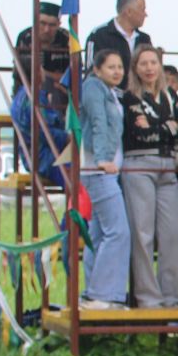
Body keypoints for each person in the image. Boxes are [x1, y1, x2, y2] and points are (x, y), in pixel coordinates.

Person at [120, 43, 178, 309]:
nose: (149, 68)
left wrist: (162, 128)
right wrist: (167, 127)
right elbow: (140, 134)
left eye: (153, 62)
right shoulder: (130, 97)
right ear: (135, 68)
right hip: (138, 163)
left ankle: (173, 298)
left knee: (172, 234)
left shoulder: (170, 94)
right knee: (142, 233)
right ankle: (148, 298)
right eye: (143, 63)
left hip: (168, 165)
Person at [78, 47, 131, 310]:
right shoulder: (93, 88)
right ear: (97, 69)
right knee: (118, 231)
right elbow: (98, 123)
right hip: (98, 170)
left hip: (106, 169)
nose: (117, 72)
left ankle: (92, 292)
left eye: (120, 67)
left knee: (98, 233)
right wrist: (100, 159)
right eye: (111, 67)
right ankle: (103, 294)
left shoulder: (113, 92)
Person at [14, 0, 71, 94]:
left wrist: (46, 74)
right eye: (42, 23)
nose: (46, 29)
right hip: (27, 90)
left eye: (52, 25)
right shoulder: (25, 37)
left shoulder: (66, 38)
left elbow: (73, 75)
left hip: (59, 92)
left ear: (59, 24)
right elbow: (19, 72)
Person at [87, 0, 150, 69]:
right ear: (129, 12)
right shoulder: (98, 35)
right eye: (142, 9)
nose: (145, 14)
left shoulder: (144, 39)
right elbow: (91, 69)